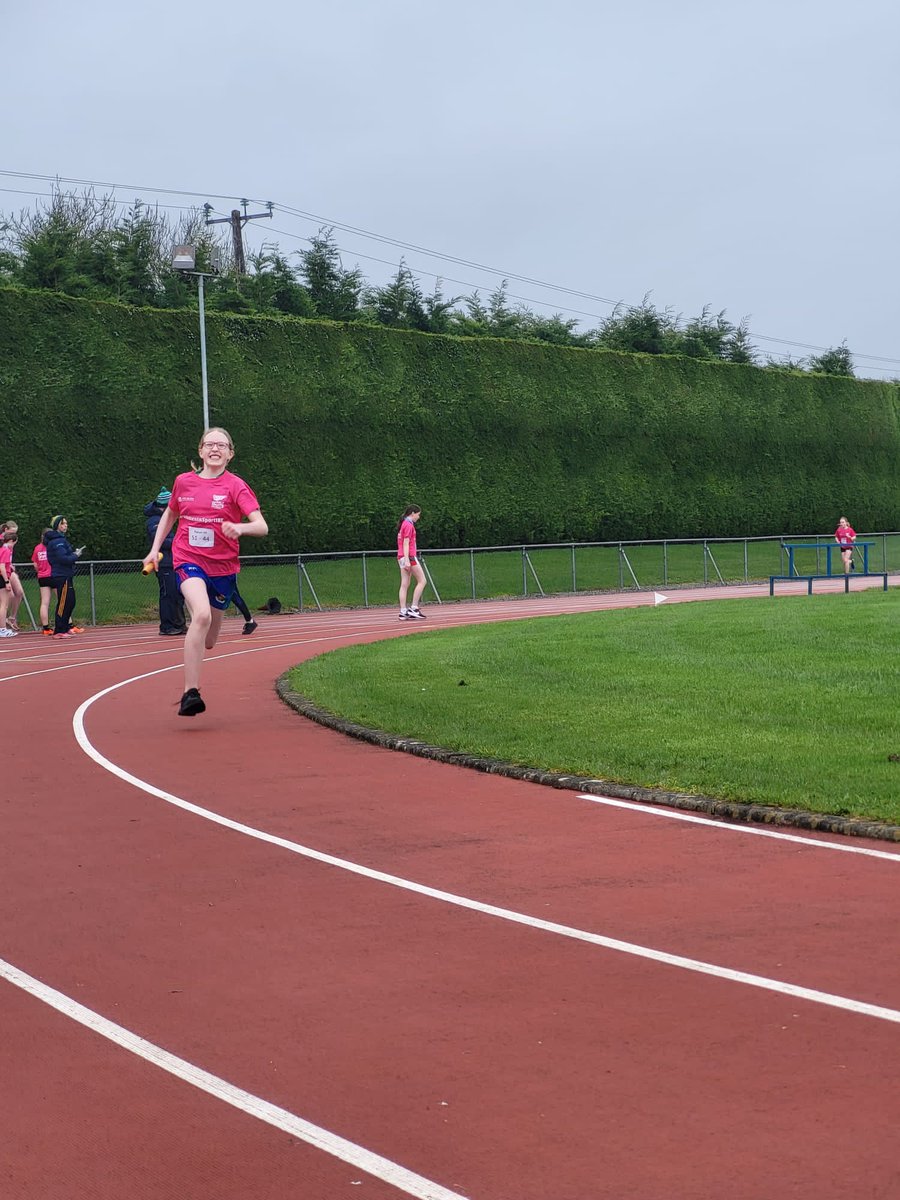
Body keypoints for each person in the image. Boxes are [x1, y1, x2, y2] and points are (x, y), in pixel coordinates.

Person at [143, 427, 268, 717]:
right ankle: (190, 693)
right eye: (210, 444)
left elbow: (261, 526)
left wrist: (241, 527)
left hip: (223, 568)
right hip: (188, 560)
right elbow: (170, 514)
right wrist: (154, 548)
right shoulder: (183, 482)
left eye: (221, 445)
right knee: (200, 614)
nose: (215, 449)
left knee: (210, 639)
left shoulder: (236, 486)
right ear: (200, 451)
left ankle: (209, 635)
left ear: (230, 454)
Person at [144, 489, 187, 636]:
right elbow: (160, 540)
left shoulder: (164, 519)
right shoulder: (155, 521)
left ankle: (178, 623)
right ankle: (167, 626)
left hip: (172, 561)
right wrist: (180, 541)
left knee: (176, 593)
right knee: (168, 594)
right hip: (164, 562)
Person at [44, 516, 85, 637]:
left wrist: (73, 554)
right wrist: (76, 555)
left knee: (70, 601)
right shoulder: (58, 542)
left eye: (66, 523)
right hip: (61, 575)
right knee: (63, 602)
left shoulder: (61, 540)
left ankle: (65, 626)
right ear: (57, 525)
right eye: (63, 524)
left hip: (66, 574)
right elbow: (63, 559)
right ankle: (59, 630)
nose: (65, 526)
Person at [397, 505, 426, 620]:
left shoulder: (403, 524)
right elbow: (406, 543)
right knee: (422, 581)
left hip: (401, 556)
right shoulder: (408, 525)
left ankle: (403, 610)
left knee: (404, 584)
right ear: (413, 513)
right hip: (409, 556)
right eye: (418, 514)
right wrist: (408, 560)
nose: (418, 517)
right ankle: (414, 608)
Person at [0, 522, 24, 631]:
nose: (14, 536)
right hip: (3, 570)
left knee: (19, 592)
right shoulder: (3, 542)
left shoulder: (10, 543)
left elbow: (7, 557)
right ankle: (3, 622)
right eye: (12, 533)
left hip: (8, 568)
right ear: (5, 529)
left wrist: (10, 564)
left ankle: (12, 617)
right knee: (9, 595)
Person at [31, 530, 54, 634]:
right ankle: (68, 624)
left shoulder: (37, 548)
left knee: (44, 602)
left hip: (42, 576)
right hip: (54, 575)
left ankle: (46, 628)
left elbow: (35, 564)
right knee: (63, 600)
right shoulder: (53, 546)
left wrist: (40, 571)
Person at [0, 532, 16, 638]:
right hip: (2, 577)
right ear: (11, 541)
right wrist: (7, 581)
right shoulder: (5, 551)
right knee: (4, 605)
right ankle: (2, 629)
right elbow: (2, 567)